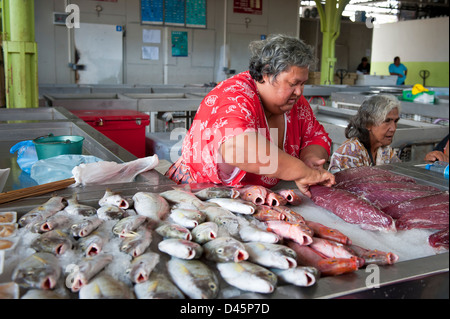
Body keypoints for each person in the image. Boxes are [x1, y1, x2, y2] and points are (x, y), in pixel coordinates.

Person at [165, 34, 335, 197]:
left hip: (257, 198)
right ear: (265, 74)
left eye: (303, 83)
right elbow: (238, 149)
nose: (299, 92)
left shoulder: (296, 103)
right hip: (199, 193)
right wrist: (302, 172)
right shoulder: (234, 95)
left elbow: (316, 136)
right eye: (293, 84)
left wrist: (309, 158)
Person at [328, 94, 401, 173]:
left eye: (395, 121)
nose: (393, 128)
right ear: (368, 124)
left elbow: (401, 174)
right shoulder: (350, 153)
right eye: (387, 121)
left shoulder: (386, 151)